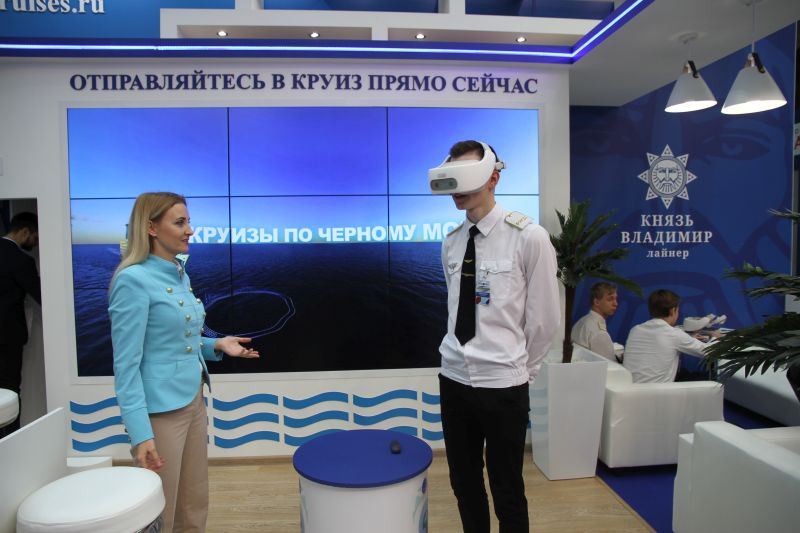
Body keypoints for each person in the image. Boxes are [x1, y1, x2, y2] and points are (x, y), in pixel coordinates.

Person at [429, 140, 560, 532]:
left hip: (503, 384)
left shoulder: (529, 237)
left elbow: (544, 320)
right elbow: (457, 308)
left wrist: (520, 372)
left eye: (467, 176)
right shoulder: (452, 241)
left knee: (507, 488)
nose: (457, 190)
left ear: (493, 178)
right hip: (454, 378)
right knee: (464, 483)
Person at [109, 192, 259, 533]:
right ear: (151, 227)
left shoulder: (178, 273)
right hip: (160, 413)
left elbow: (176, 342)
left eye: (189, 221)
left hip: (193, 399)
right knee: (161, 511)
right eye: (180, 222)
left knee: (194, 503)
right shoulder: (132, 280)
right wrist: (140, 434)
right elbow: (127, 366)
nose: (190, 230)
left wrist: (216, 344)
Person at [0, 212, 41, 436]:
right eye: (35, 237)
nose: (36, 244)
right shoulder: (21, 260)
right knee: (9, 390)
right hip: (7, 337)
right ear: (25, 231)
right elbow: (42, 296)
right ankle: (11, 441)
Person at [623, 289, 720, 383]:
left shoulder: (635, 330)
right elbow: (709, 352)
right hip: (658, 392)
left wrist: (689, 339)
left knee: (684, 373)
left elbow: (658, 348)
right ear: (673, 310)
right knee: (701, 377)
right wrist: (716, 337)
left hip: (631, 389)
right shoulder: (674, 334)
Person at [571, 282, 619, 362]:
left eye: (616, 299)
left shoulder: (581, 322)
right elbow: (609, 365)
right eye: (610, 299)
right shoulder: (599, 333)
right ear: (596, 302)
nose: (615, 304)